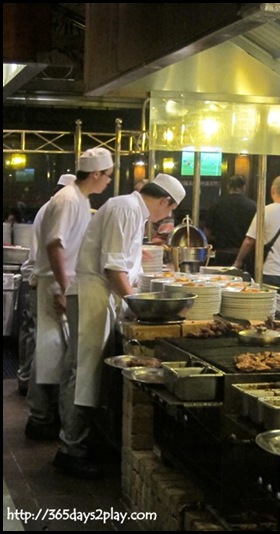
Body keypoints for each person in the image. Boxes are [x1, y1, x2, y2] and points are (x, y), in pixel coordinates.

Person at [53, 173, 186, 479]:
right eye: (170, 210)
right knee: (82, 372)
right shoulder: (126, 208)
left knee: (81, 370)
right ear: (165, 201)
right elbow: (113, 267)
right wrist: (137, 305)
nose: (166, 216)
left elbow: (123, 265)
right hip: (91, 294)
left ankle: (77, 443)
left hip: (97, 295)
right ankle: (70, 450)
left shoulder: (131, 210)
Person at [26, 149, 113, 442]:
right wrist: (64, 288)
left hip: (64, 283)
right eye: (108, 176)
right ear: (97, 173)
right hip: (55, 284)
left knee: (54, 353)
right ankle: (40, 418)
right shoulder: (67, 199)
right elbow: (55, 245)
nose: (109, 182)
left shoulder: (80, 198)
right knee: (49, 350)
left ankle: (45, 416)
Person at [17, 174, 76, 397]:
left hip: (40, 280)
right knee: (43, 347)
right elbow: (55, 248)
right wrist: (65, 287)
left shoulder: (51, 207)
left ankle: (28, 387)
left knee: (37, 342)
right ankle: (39, 410)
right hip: (43, 283)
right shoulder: (58, 207)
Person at [232, 175, 280, 298]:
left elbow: (249, 241)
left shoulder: (265, 212)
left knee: (267, 310)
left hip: (269, 272)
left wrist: (238, 262)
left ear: (272, 190)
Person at [204, 174, 257, 270]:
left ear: (228, 187)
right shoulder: (253, 207)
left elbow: (207, 232)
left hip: (221, 255)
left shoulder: (216, 205)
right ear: (244, 187)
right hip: (244, 257)